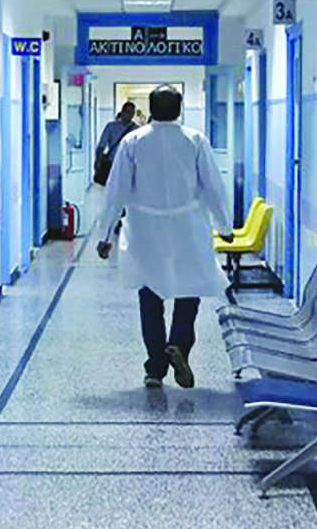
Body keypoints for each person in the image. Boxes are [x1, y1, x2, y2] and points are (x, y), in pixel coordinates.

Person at [95, 85, 232, 389]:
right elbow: (213, 187)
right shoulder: (195, 140)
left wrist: (106, 235)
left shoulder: (133, 141)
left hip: (145, 229)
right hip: (188, 227)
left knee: (150, 296)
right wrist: (225, 227)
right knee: (189, 290)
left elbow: (116, 191)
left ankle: (155, 368)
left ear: (151, 109)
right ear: (180, 109)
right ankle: (179, 346)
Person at [92, 101, 136, 186]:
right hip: (112, 163)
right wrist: (98, 162)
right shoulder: (111, 127)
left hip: (128, 166)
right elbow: (101, 145)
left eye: (131, 113)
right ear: (122, 112)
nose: (129, 115)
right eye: (127, 112)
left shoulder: (136, 130)